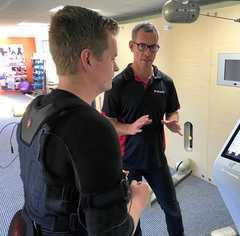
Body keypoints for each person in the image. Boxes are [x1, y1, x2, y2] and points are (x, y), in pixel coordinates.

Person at [15, 6, 150, 236]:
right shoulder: (94, 129)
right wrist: (138, 200)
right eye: (112, 57)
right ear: (88, 59)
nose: (115, 67)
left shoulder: (35, 109)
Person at [102, 22, 184, 236]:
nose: (148, 53)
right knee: (131, 212)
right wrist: (128, 127)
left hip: (156, 158)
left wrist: (173, 121)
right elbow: (107, 124)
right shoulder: (117, 85)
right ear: (131, 46)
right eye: (142, 46)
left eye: (153, 47)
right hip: (128, 161)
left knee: (172, 209)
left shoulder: (165, 82)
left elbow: (173, 110)